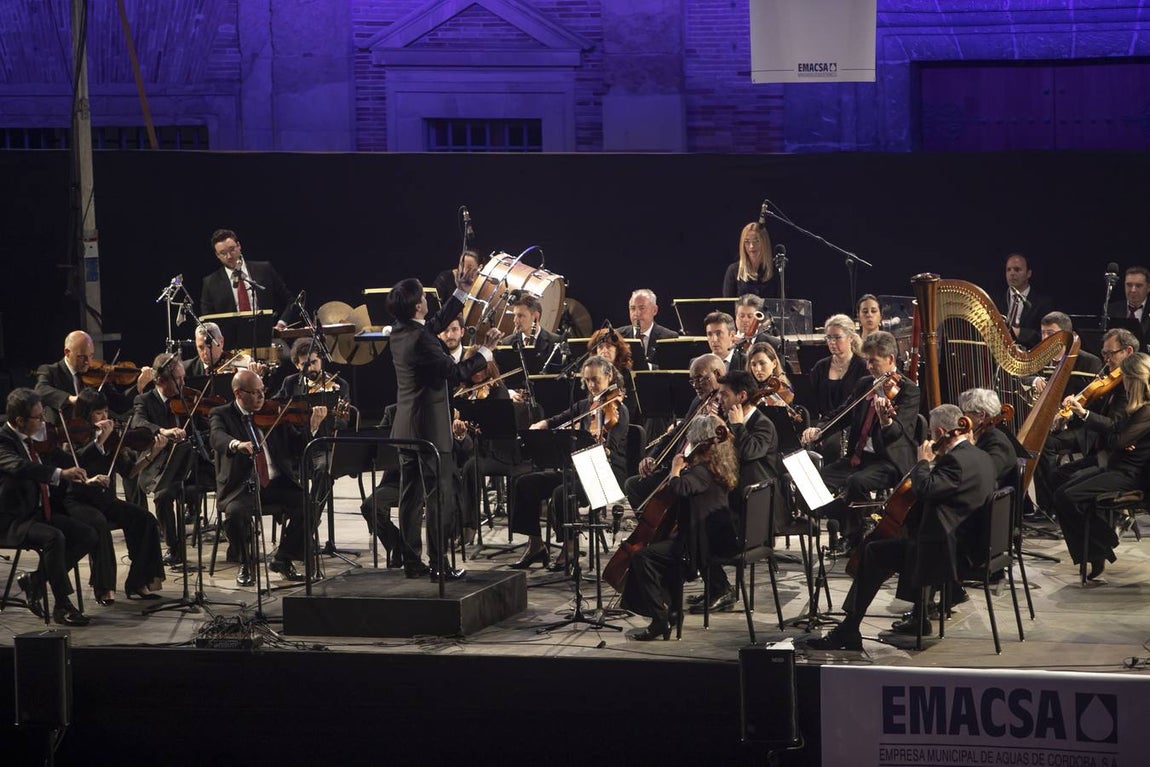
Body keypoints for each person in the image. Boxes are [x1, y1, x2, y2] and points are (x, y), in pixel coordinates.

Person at [807, 404, 996, 650]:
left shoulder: (955, 463)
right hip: (970, 543)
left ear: (940, 432)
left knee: (875, 551)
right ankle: (920, 618)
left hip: (950, 553)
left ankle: (849, 628)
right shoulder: (980, 456)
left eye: (931, 433)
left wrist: (923, 463)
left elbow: (925, 489)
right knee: (914, 533)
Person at [387, 263, 502, 581]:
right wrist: (486, 353)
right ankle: (439, 563)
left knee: (409, 496)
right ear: (417, 304)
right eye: (424, 296)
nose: (427, 299)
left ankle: (412, 561)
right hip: (429, 428)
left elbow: (435, 322)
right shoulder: (422, 340)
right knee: (438, 495)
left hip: (405, 427)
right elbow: (456, 374)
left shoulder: (401, 331)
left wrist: (461, 291)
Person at [621, 414, 740, 641]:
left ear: (698, 441)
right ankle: (671, 612)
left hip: (698, 546)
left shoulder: (702, 471)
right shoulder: (720, 465)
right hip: (709, 537)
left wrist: (676, 469)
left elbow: (682, 488)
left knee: (642, 558)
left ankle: (660, 617)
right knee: (659, 555)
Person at [800, 331, 921, 551]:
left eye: (873, 361)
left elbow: (898, 433)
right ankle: (850, 514)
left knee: (855, 482)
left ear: (890, 360)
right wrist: (818, 430)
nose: (868, 367)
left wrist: (886, 421)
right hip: (859, 457)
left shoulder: (909, 391)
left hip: (889, 460)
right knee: (813, 483)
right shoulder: (866, 384)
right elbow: (843, 413)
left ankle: (852, 536)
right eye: (866, 361)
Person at [208, 369, 327, 586]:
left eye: (263, 391)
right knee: (235, 515)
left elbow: (297, 447)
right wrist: (237, 444)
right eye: (255, 393)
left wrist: (312, 427)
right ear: (238, 394)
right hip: (241, 486)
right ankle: (245, 562)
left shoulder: (275, 413)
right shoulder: (221, 414)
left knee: (308, 505)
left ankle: (283, 558)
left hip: (274, 482)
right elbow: (217, 437)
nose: (262, 397)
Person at [510, 356, 630, 570]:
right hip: (577, 469)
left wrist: (594, 443)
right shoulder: (585, 405)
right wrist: (541, 425)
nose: (592, 385)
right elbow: (558, 419)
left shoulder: (618, 410)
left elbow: (611, 449)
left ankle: (570, 547)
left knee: (561, 492)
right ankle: (536, 545)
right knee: (525, 483)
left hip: (604, 473)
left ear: (609, 376)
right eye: (588, 380)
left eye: (596, 380)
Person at [0, 388, 97, 626]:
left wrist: (85, 467)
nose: (43, 422)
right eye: (38, 417)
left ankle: (35, 580)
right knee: (55, 538)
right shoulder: (3, 441)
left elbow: (64, 461)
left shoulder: (33, 439)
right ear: (20, 421)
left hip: (37, 513)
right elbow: (21, 467)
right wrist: (60, 474)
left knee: (87, 535)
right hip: (13, 520)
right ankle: (62, 605)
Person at [686, 369, 778, 615]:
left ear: (742, 396)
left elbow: (749, 453)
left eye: (725, 396)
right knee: (693, 516)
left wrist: (737, 426)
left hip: (755, 513)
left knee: (699, 526)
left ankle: (720, 588)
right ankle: (716, 587)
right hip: (734, 500)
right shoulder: (727, 423)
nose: (720, 400)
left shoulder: (763, 425)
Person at [1054, 352, 1150, 580]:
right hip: (1116, 466)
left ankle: (1100, 547)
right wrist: (1120, 439)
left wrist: (1120, 440)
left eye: (1125, 377)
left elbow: (1116, 439)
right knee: (1061, 492)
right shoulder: (1137, 408)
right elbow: (1116, 437)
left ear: (1133, 378)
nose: (1122, 381)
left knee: (1067, 497)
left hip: (1130, 475)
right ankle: (1100, 547)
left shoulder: (1147, 410)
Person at [68, 389, 166, 601]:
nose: (105, 419)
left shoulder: (113, 439)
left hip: (105, 500)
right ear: (85, 415)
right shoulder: (72, 436)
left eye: (106, 412)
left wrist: (151, 455)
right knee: (99, 524)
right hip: (78, 502)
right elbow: (74, 463)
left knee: (145, 520)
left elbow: (129, 471)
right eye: (98, 414)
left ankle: (139, 581)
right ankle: (104, 587)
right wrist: (98, 443)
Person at [1034, 328, 1137, 515]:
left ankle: (1065, 511)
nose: (1105, 358)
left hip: (1109, 451)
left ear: (1127, 351)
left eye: (1110, 353)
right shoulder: (1110, 378)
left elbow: (1114, 425)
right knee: (1044, 442)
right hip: (1095, 437)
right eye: (1103, 353)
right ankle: (1051, 509)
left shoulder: (1130, 384)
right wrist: (1074, 408)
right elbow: (1097, 409)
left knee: (1066, 478)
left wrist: (1083, 413)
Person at [623, 353, 725, 512]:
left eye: (700, 379)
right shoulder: (698, 401)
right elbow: (677, 432)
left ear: (717, 374)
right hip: (680, 465)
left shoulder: (727, 403)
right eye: (692, 381)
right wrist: (653, 457)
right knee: (634, 486)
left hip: (702, 472)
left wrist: (715, 419)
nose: (696, 386)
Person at [131, 352, 198, 567]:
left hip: (190, 460)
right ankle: (174, 547)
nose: (183, 383)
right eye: (178, 379)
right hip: (161, 464)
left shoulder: (186, 400)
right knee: (162, 495)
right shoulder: (144, 400)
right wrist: (164, 431)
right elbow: (138, 422)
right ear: (160, 380)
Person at [35, 330, 155, 423]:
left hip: (91, 438)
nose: (88, 362)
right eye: (82, 357)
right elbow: (40, 391)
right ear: (67, 352)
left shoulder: (97, 375)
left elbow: (119, 405)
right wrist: (71, 399)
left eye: (91, 356)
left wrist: (139, 387)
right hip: (62, 436)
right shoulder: (51, 371)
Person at [199, 229, 297, 330]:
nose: (229, 256)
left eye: (232, 249)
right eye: (223, 253)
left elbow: (291, 300)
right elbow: (207, 320)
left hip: (268, 336)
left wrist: (281, 324)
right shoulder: (210, 283)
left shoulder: (264, 269)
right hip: (232, 342)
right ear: (217, 255)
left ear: (239, 246)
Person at [806, 314, 867, 464]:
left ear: (850, 338)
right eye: (828, 338)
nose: (832, 342)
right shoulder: (820, 367)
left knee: (832, 444)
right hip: (823, 423)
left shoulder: (862, 367)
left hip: (850, 424)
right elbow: (811, 401)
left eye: (837, 337)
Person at [745, 341, 801, 453]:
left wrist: (781, 413)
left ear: (774, 363)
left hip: (775, 445)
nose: (757, 369)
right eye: (753, 364)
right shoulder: (747, 390)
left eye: (762, 363)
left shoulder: (783, 390)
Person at [1000, 253, 1053, 349]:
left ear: (1028, 273)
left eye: (1017, 270)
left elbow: (1048, 335)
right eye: (1008, 270)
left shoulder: (1042, 303)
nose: (1012, 273)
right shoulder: (996, 300)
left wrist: (1019, 332)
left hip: (1030, 355)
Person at [620, 288, 679, 370]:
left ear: (654, 310)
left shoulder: (669, 337)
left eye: (642, 308)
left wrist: (648, 367)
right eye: (633, 308)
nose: (636, 313)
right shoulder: (618, 335)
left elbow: (672, 369)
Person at [507, 293, 561, 373]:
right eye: (515, 315)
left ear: (536, 316)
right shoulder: (507, 343)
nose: (515, 320)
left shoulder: (556, 342)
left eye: (520, 316)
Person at [722, 222, 774, 299]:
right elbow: (727, 306)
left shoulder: (776, 270)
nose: (751, 246)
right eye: (747, 242)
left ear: (764, 243)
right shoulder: (733, 270)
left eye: (756, 241)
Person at [1105, 265, 1150, 347]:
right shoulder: (1111, 309)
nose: (1133, 290)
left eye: (1138, 286)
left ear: (1148, 287)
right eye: (1129, 285)